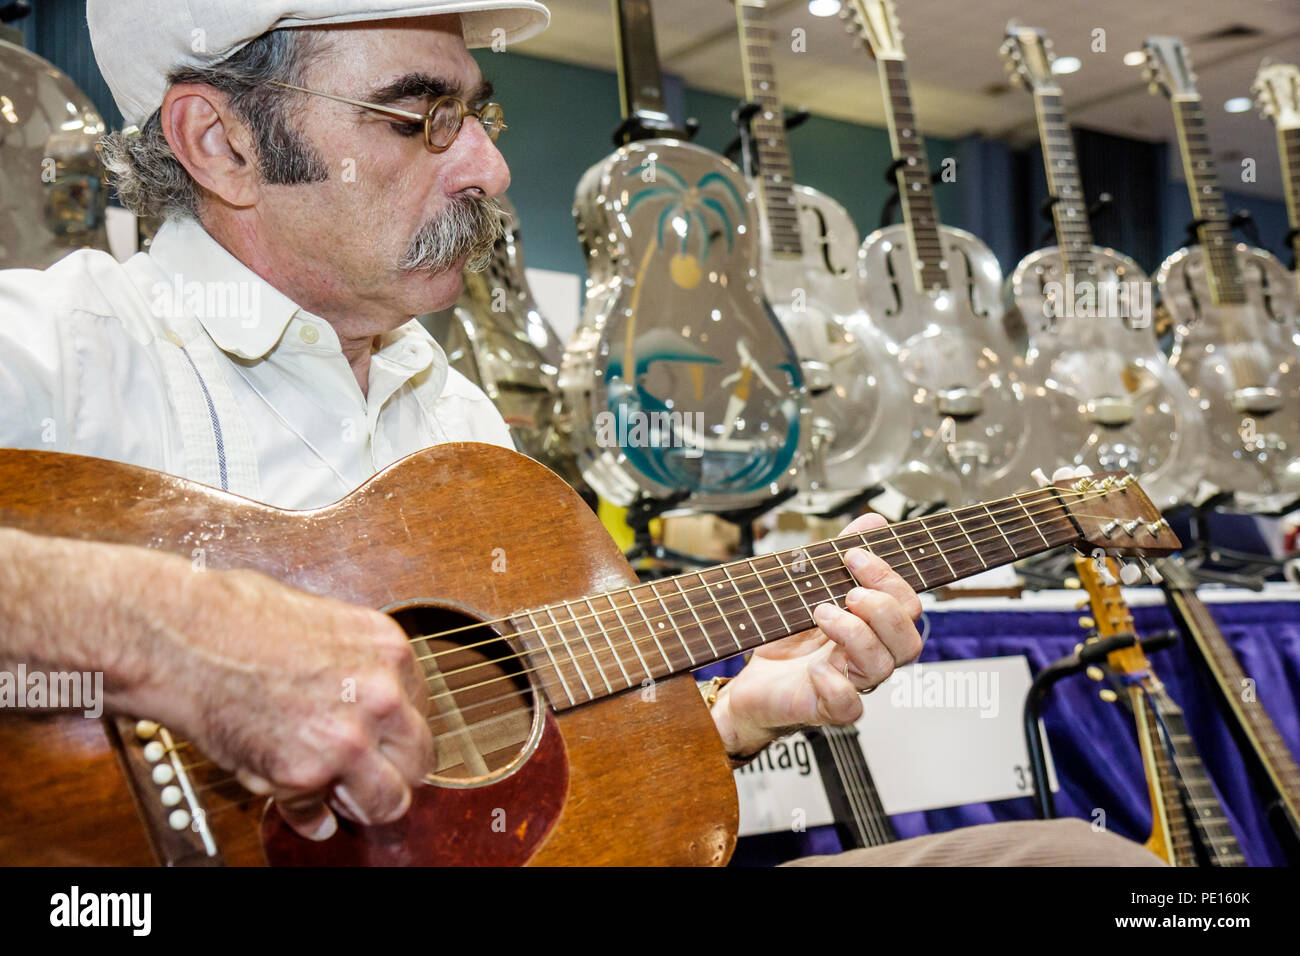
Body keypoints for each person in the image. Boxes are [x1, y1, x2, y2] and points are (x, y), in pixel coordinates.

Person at [0, 0, 1159, 865]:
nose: (491, 167)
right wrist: (175, 629)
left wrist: (735, 714)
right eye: (419, 116)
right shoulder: (58, 347)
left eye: (481, 115)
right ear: (221, 145)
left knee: (1077, 861)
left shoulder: (452, 419)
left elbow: (510, 783)